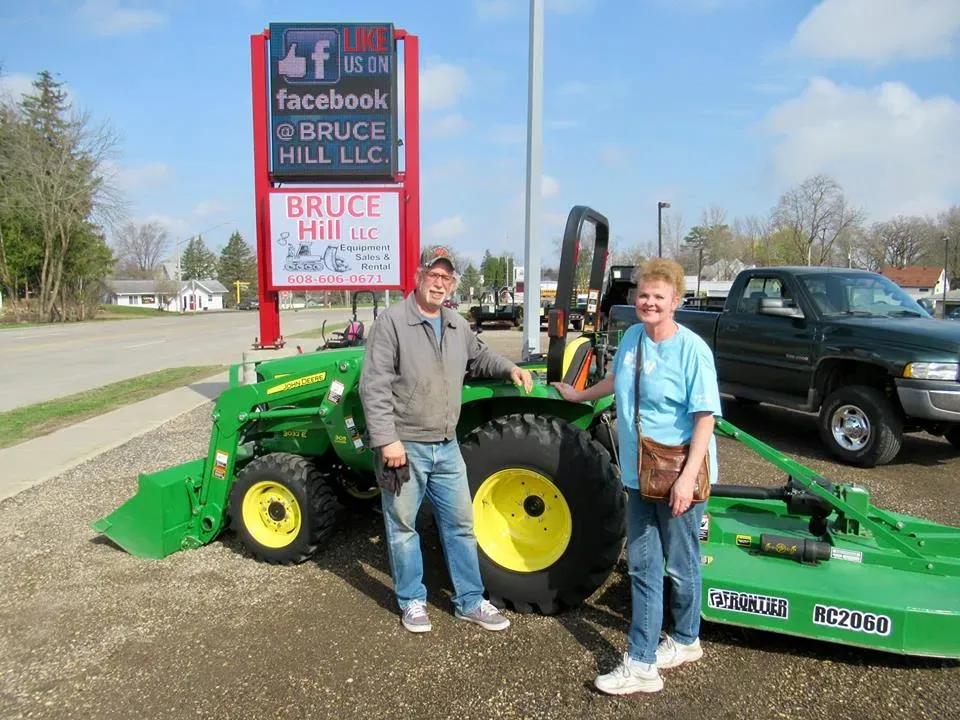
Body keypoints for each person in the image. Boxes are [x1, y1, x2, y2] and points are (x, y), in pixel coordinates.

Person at [552, 257, 722, 694]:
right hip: (638, 472)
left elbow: (706, 417)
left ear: (676, 302)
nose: (649, 303)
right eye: (644, 295)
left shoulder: (692, 350)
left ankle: (680, 642)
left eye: (659, 297)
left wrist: (686, 480)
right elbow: (616, 381)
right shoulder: (632, 337)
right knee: (645, 567)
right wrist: (579, 394)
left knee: (680, 565)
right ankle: (651, 656)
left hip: (678, 473)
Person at [359, 245, 535, 634]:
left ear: (452, 283)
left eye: (446, 277)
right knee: (404, 527)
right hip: (405, 446)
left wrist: (509, 369)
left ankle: (469, 601)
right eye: (433, 275)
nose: (439, 283)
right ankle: (412, 600)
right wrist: (387, 440)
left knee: (460, 524)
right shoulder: (392, 322)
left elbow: (481, 357)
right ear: (419, 276)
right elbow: (373, 386)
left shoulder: (456, 324)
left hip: (446, 444)